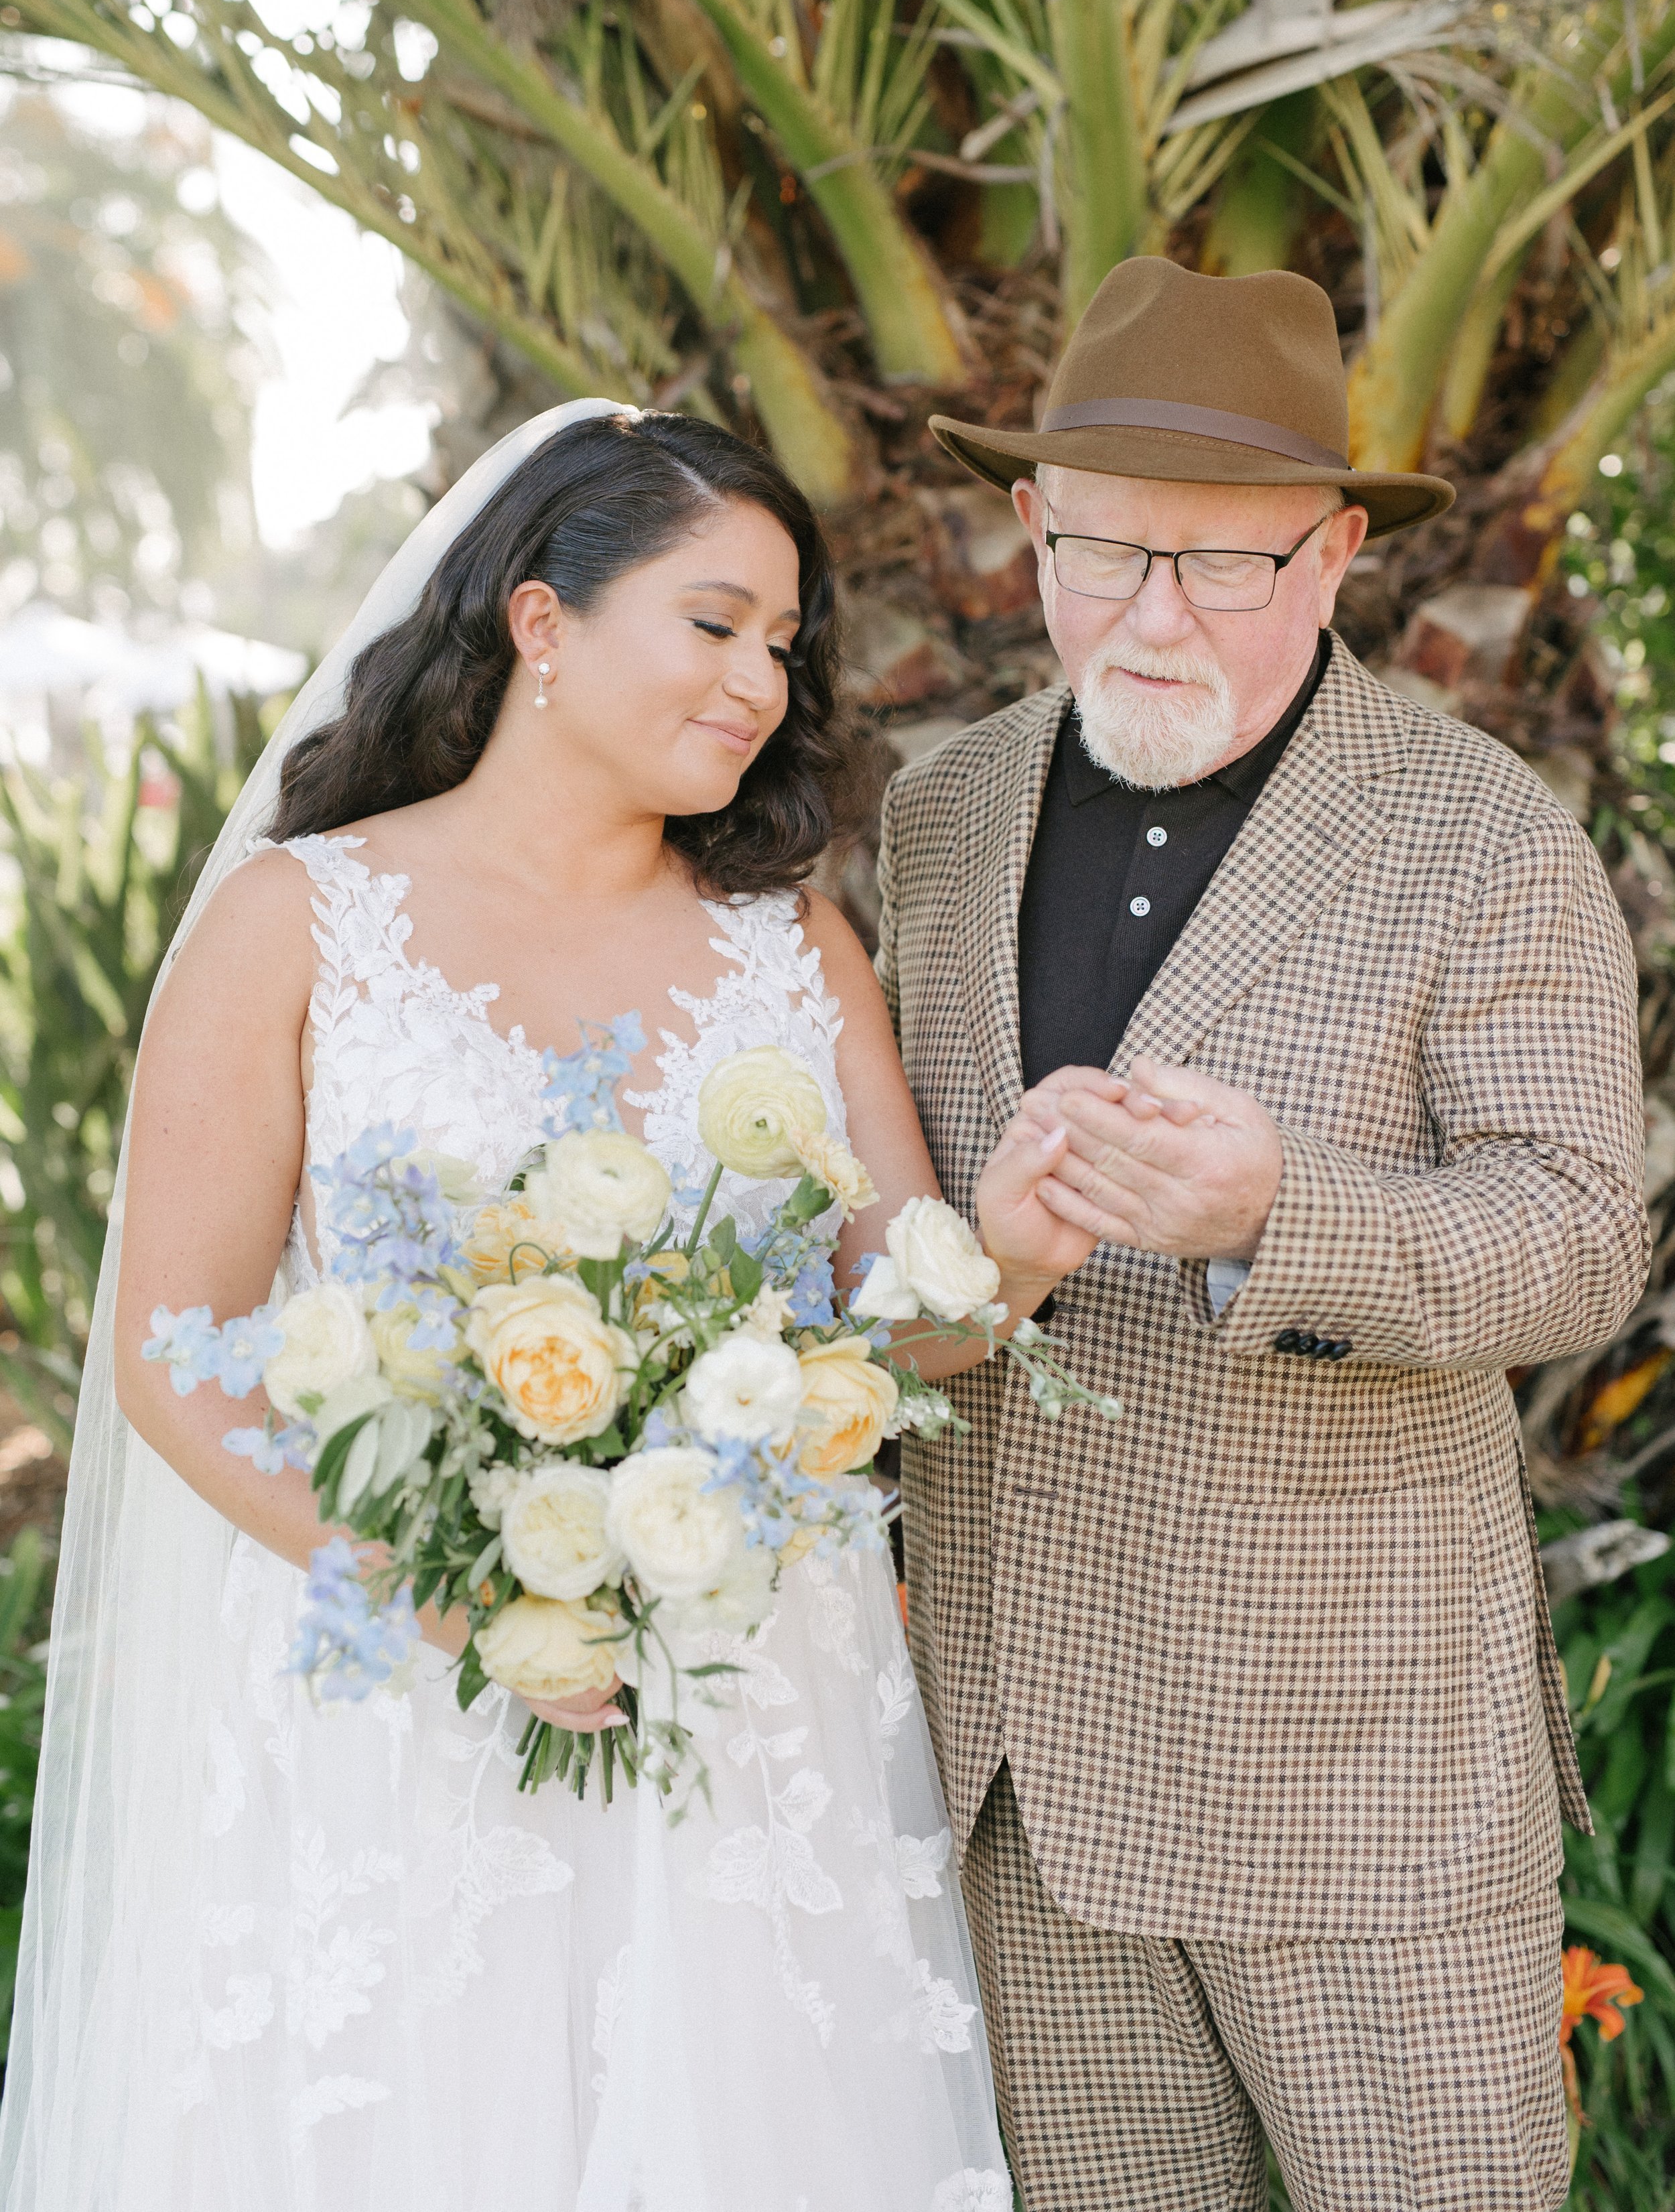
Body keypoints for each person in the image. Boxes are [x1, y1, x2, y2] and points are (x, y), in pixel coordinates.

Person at [0, 400, 1071, 2212]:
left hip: (746, 1706)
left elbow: (904, 1329)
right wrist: (459, 1602)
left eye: (784, 644)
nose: (757, 681)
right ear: (542, 619)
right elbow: (180, 1361)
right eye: (714, 622)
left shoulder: (788, 947)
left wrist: (1021, 1253)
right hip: (399, 1700)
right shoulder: (298, 924)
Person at [878, 257, 1650, 2212]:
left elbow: (1576, 1243)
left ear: (1326, 561)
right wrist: (975, 1265)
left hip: (1360, 1788)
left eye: (1220, 565)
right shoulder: (934, 815)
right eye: (1107, 551)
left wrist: (1275, 1217)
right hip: (1022, 1783)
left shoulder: (1484, 836)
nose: (1154, 615)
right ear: (1031, 532)